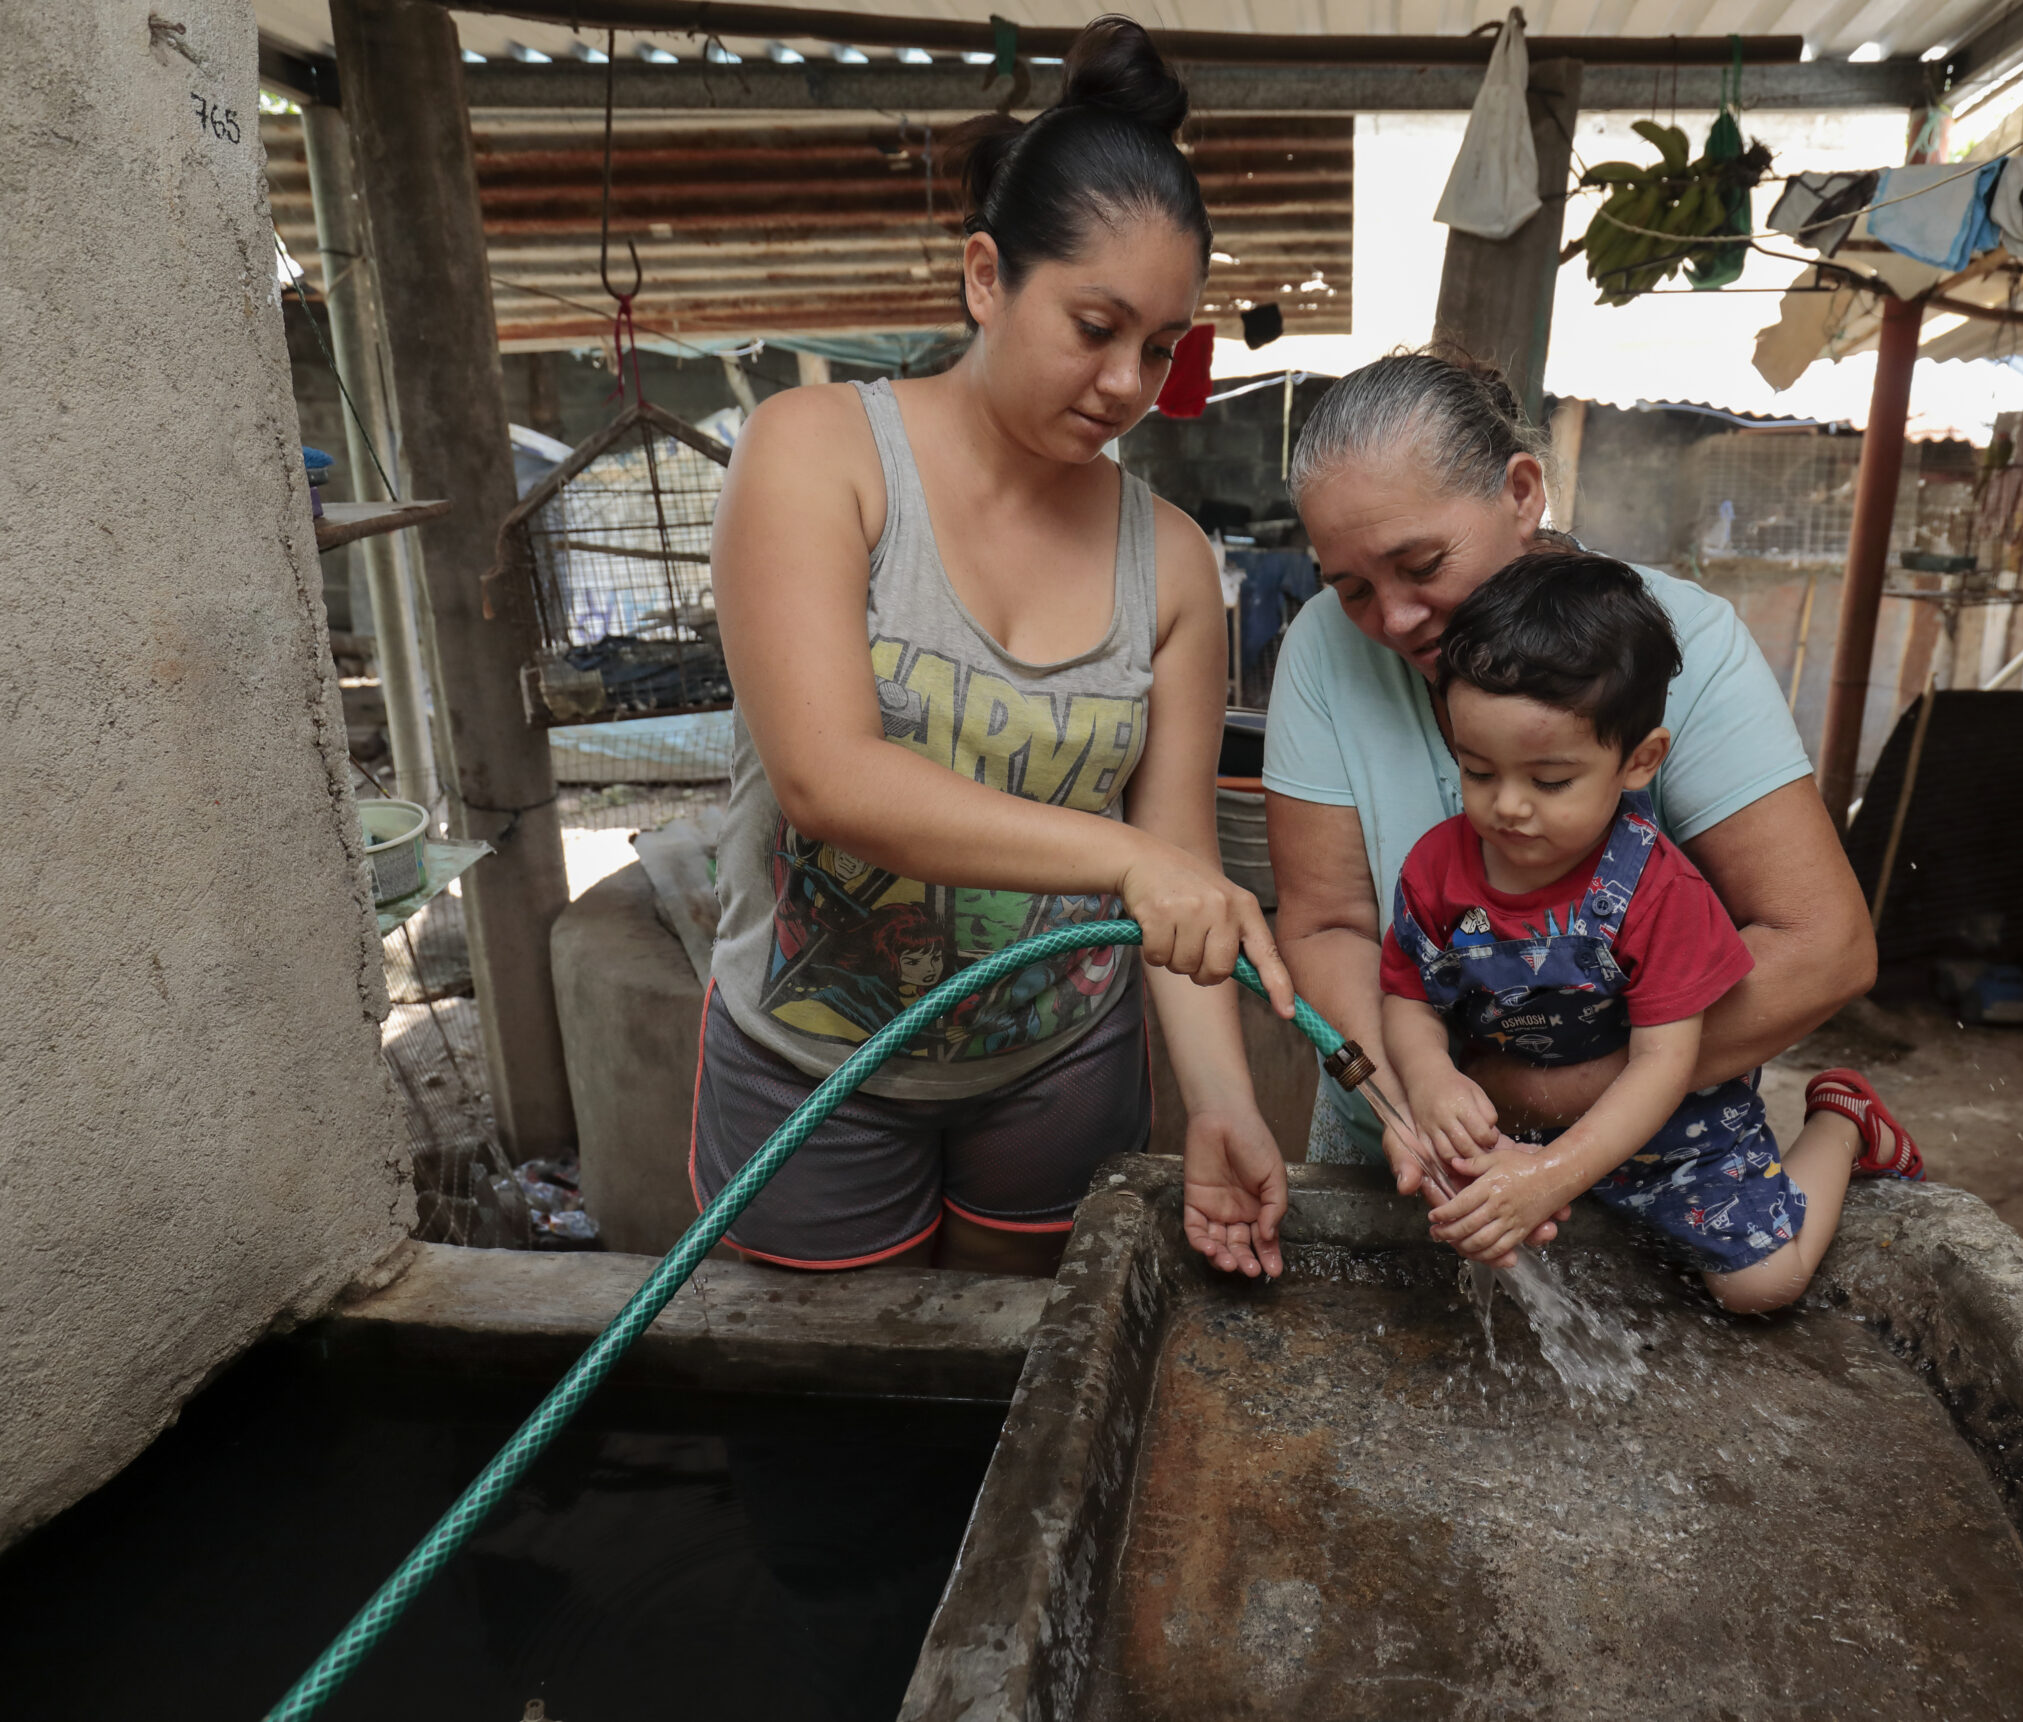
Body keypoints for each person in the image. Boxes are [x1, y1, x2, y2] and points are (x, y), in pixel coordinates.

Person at [697, 16, 1294, 1284]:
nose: (1130, 381)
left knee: (1032, 1409)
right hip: (817, 1063)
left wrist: (1221, 1102)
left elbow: (1179, 868)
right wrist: (1128, 860)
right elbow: (829, 779)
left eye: (1163, 346)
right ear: (986, 278)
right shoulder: (818, 455)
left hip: (1057, 1066)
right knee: (836, 1434)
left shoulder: (1174, 561)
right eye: (1095, 326)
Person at [1256, 348, 1885, 1303]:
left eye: (1422, 564)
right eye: (1349, 586)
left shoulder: (1681, 644)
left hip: (1647, 1136)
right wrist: (1409, 1105)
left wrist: (1534, 1110)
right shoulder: (1324, 649)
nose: (1394, 617)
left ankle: (1845, 1125)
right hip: (1414, 1143)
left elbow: (1825, 947)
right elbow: (1328, 922)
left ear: (1520, 492)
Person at [1379, 553, 1920, 1312]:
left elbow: (1665, 1065)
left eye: (1551, 781)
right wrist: (1433, 1081)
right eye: (1477, 770)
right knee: (1453, 1243)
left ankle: (1842, 1122)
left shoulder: (1655, 890)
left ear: (1639, 761)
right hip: (1524, 1127)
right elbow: (1406, 995)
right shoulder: (1437, 870)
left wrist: (1555, 1177)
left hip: (1671, 1127)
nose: (1507, 807)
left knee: (1763, 1286)